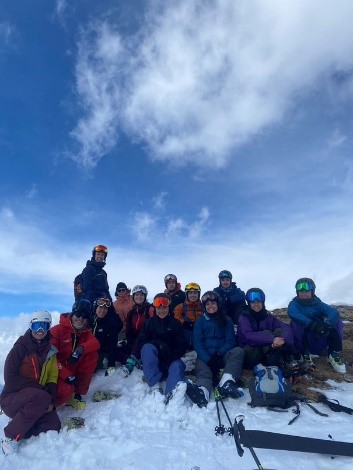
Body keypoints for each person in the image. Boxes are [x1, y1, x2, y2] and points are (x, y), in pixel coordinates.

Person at [0, 311, 61, 455]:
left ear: (48, 328)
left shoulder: (51, 352)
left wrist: (51, 401)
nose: (40, 331)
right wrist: (40, 389)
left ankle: (23, 426)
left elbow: (52, 376)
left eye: (44, 326)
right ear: (31, 327)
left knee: (53, 424)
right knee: (41, 397)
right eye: (36, 326)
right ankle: (10, 436)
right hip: (11, 399)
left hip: (35, 400)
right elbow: (10, 378)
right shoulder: (20, 348)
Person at [186, 291, 244, 408]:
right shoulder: (200, 321)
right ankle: (202, 392)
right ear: (204, 307)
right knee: (204, 373)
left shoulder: (226, 320)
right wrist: (208, 359)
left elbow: (230, 340)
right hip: (205, 356)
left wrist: (218, 354)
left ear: (218, 305)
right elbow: (198, 343)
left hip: (222, 354)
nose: (210, 306)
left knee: (238, 351)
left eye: (213, 303)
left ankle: (227, 382)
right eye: (207, 304)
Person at [136, 293, 187, 403]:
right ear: (155, 308)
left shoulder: (175, 324)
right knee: (147, 348)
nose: (162, 310)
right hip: (154, 363)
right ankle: (155, 386)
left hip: (171, 360)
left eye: (164, 307)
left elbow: (182, 346)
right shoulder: (149, 323)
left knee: (178, 366)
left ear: (169, 307)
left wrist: (171, 355)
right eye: (159, 307)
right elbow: (141, 343)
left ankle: (170, 394)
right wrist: (157, 344)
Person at [288, 278, 346, 374]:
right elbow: (292, 313)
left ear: (312, 291)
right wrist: (313, 325)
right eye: (300, 291)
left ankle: (333, 354)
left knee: (337, 321)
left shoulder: (318, 304)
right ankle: (305, 355)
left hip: (318, 339)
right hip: (302, 343)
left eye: (306, 290)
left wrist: (326, 325)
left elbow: (334, 312)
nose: (303, 293)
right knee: (296, 322)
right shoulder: (294, 304)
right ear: (297, 292)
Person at [50, 299, 100, 410]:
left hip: (71, 369)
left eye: (85, 316)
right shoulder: (57, 331)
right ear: (72, 314)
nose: (80, 319)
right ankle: (43, 407)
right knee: (64, 389)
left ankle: (76, 394)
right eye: (78, 314)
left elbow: (95, 343)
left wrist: (81, 348)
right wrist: (65, 374)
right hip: (55, 371)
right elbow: (49, 359)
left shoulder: (85, 332)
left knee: (92, 354)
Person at [238, 288, 298, 378]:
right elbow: (248, 336)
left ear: (263, 302)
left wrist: (283, 340)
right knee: (266, 334)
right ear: (249, 303)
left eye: (258, 302)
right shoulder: (244, 318)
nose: (256, 304)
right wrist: (272, 339)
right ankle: (281, 367)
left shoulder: (268, 316)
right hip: (251, 354)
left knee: (279, 331)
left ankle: (288, 363)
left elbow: (285, 327)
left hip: (268, 352)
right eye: (253, 302)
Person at [122, 285, 154, 376]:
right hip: (134, 338)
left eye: (141, 295)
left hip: (147, 337)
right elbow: (129, 329)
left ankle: (132, 362)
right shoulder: (132, 312)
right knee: (122, 349)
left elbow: (151, 326)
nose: (139, 297)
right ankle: (136, 359)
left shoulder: (150, 309)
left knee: (140, 344)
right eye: (136, 295)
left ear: (145, 297)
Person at [92, 296, 123, 375]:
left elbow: (112, 345)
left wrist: (111, 366)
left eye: (105, 308)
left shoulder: (110, 324)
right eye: (100, 307)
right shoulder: (88, 321)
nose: (102, 310)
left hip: (101, 353)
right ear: (96, 307)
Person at [174, 282, 202, 350]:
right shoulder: (180, 307)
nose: (193, 295)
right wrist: (184, 323)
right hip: (187, 336)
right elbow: (175, 319)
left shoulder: (203, 306)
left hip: (201, 334)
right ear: (187, 294)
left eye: (195, 293)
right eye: (190, 293)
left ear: (198, 294)